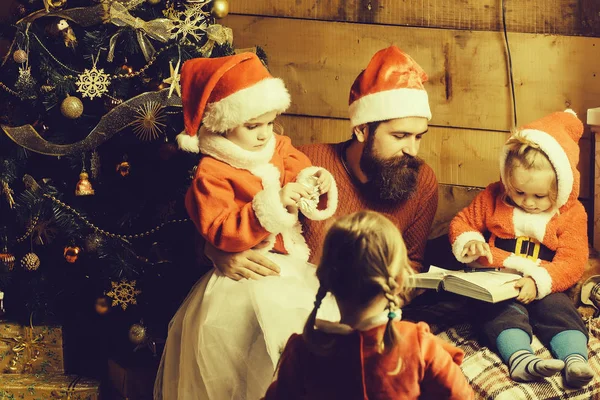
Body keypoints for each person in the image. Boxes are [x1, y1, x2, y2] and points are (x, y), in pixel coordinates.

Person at [154, 52, 340, 400]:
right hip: (242, 276)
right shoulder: (212, 173)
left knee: (301, 343)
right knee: (234, 364)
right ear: (222, 124)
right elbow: (220, 229)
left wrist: (313, 180)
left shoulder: (278, 147)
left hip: (291, 269)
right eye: (251, 126)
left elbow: (299, 170)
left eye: (269, 123)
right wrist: (269, 206)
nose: (263, 135)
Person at [206, 45, 439, 277]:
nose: (412, 149)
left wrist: (367, 305)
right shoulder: (307, 163)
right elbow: (228, 209)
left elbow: (413, 266)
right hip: (296, 302)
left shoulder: (422, 180)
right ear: (361, 130)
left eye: (419, 136)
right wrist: (217, 252)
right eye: (400, 136)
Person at [449, 110, 593, 388]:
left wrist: (538, 282)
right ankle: (521, 360)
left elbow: (573, 260)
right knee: (499, 314)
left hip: (545, 279)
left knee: (559, 311)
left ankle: (575, 360)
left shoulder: (572, 213)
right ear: (506, 180)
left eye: (540, 196)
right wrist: (469, 240)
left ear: (561, 187)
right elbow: (462, 221)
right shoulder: (493, 196)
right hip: (498, 280)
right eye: (518, 192)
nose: (528, 202)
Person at [264, 211, 474, 399]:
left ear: (324, 277)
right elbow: (462, 396)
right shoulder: (420, 345)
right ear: (399, 281)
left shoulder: (301, 350)